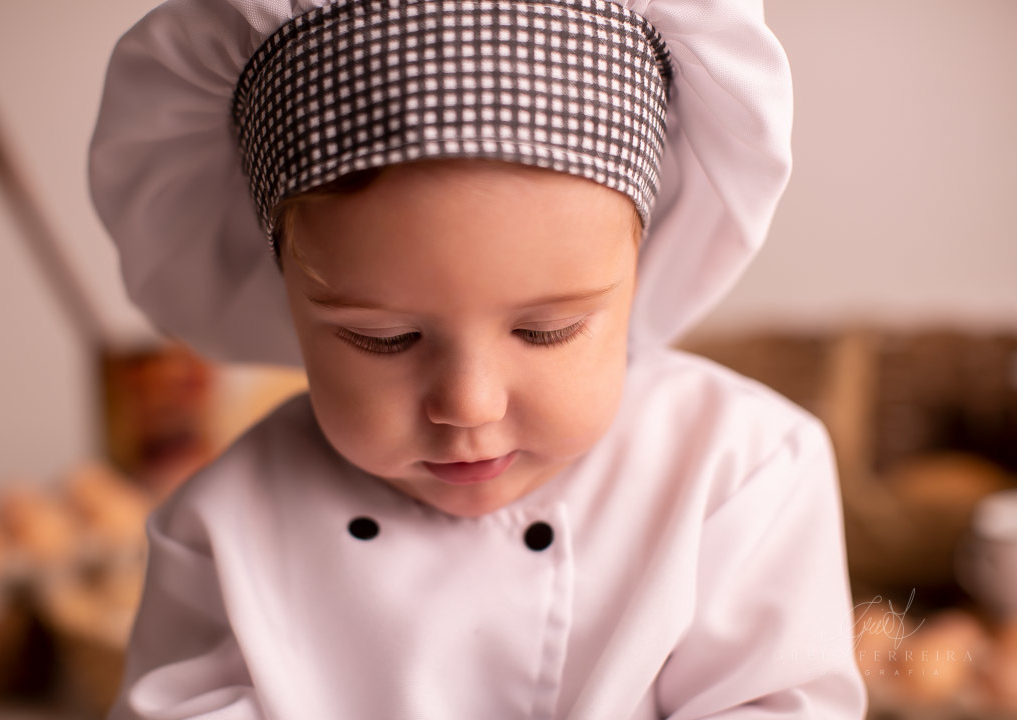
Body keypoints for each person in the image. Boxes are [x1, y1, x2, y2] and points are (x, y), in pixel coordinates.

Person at [88, 0, 869, 716]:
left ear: (642, 264)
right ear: (283, 291)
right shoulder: (222, 530)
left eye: (546, 331)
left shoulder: (742, 471)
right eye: (384, 338)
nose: (468, 404)